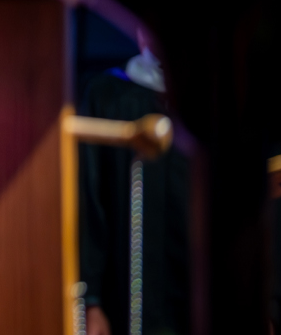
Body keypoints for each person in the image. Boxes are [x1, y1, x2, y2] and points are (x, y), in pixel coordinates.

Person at [79, 32, 190, 335]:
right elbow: (88, 205)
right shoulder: (106, 95)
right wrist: (91, 302)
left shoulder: (220, 98)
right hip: (126, 299)